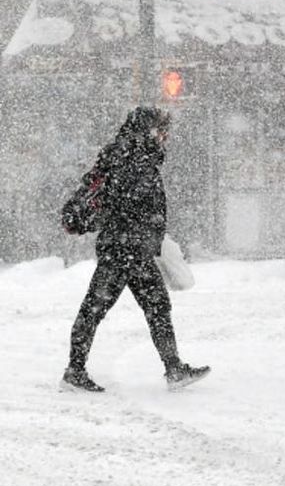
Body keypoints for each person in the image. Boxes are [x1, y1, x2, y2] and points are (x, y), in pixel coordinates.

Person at [61, 106, 209, 393]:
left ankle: (174, 369)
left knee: (155, 306)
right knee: (96, 308)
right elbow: (127, 205)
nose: (165, 136)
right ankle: (74, 371)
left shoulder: (132, 154)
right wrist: (146, 229)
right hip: (124, 248)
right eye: (162, 130)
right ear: (148, 130)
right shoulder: (131, 158)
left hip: (132, 248)